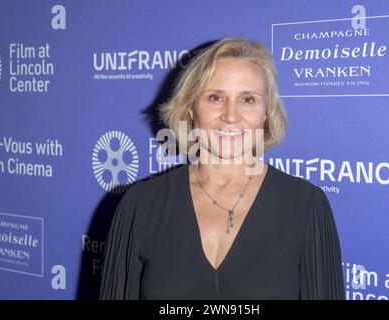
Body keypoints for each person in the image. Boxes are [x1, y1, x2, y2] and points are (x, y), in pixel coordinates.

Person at [100, 37, 345, 299]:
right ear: (191, 108)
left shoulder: (305, 206)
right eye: (216, 97)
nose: (230, 115)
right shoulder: (141, 205)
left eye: (248, 99)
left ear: (266, 113)